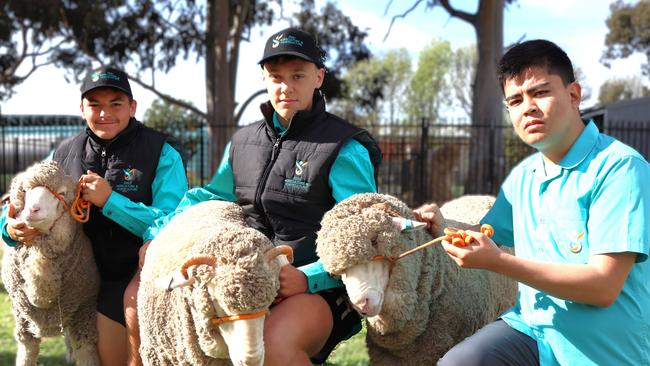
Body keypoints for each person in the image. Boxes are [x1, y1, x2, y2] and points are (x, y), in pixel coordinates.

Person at [139, 27, 381, 365]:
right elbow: (208, 195)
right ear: (265, 79)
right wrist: (158, 234)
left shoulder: (344, 148)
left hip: (323, 285)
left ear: (319, 77)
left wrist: (307, 279)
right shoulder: (242, 142)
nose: (286, 87)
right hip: (251, 279)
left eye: (298, 75)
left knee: (269, 346)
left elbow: (363, 236)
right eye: (277, 76)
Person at [424, 39, 650, 366]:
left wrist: (498, 261)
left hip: (603, 349)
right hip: (533, 330)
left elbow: (603, 286)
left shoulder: (620, 169)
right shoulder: (524, 176)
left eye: (540, 92)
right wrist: (442, 226)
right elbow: (487, 232)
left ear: (573, 95)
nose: (527, 106)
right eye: (515, 100)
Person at [0, 66, 188, 366]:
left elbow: (173, 222)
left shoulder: (162, 152)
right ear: (82, 108)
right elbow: (20, 200)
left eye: (115, 103)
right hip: (82, 283)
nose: (104, 113)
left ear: (132, 106)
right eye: (95, 104)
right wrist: (8, 228)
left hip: (139, 274)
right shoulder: (63, 154)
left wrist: (111, 201)